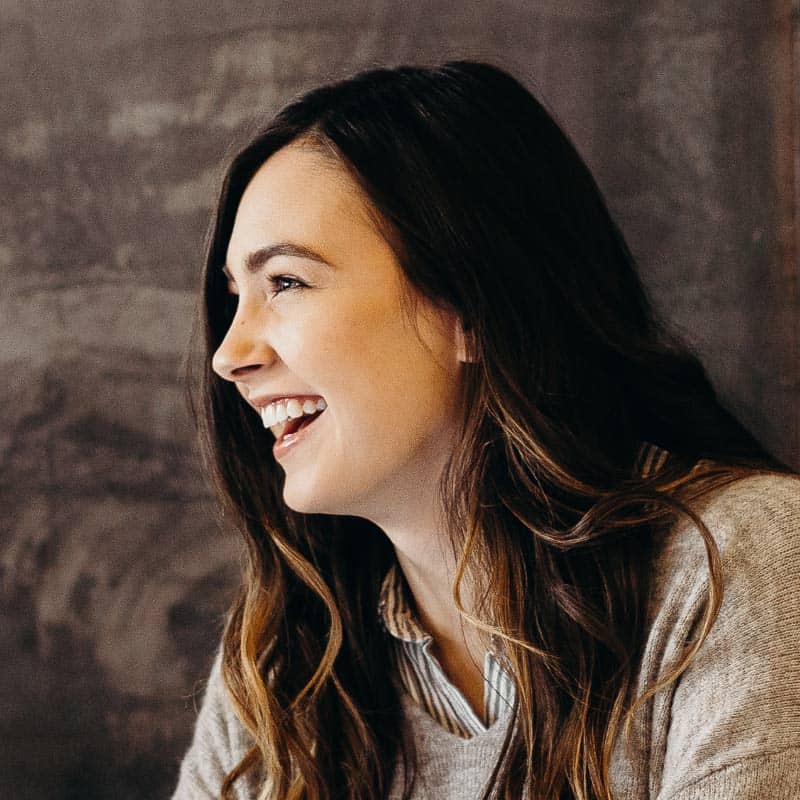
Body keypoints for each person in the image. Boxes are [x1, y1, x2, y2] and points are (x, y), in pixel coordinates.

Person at [171, 60, 800, 800]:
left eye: (286, 282)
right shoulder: (287, 658)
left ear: (471, 305)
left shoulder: (740, 566)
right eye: (236, 296)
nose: (229, 356)